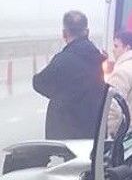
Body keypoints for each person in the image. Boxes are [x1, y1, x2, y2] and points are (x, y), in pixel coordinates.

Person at [32, 10, 106, 139]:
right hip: (94, 127)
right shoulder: (98, 58)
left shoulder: (62, 60)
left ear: (64, 33)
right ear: (87, 32)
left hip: (66, 129)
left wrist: (60, 95)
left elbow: (39, 82)